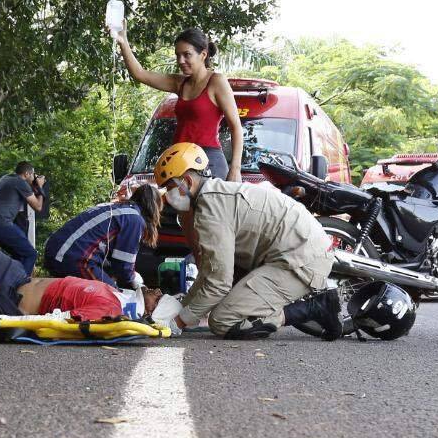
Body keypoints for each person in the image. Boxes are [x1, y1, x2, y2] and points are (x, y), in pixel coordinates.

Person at [149, 143, 349, 340]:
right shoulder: (213, 196)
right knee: (218, 303)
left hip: (301, 261)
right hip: (297, 250)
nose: (168, 196)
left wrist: (177, 323)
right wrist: (183, 307)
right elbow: (210, 271)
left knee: (222, 320)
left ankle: (316, 307)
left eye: (170, 188)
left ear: (187, 181)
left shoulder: (210, 211)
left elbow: (218, 283)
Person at [0, 223, 163, 320]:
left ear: (152, 310)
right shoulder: (117, 293)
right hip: (15, 277)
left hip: (9, 303)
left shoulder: (112, 310)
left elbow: (61, 323)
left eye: (160, 297)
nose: (159, 290)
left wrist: (9, 318)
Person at [110, 25, 244, 183]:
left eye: (187, 54)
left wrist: (235, 170)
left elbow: (236, 127)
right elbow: (140, 74)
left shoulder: (216, 82)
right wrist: (123, 42)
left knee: (207, 208)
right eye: (178, 55)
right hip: (179, 160)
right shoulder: (179, 82)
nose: (181, 61)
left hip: (209, 161)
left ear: (203, 54)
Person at [43, 185, 160, 288]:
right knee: (113, 297)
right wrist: (135, 279)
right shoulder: (134, 219)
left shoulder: (115, 206)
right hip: (73, 258)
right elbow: (123, 266)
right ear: (153, 209)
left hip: (55, 250)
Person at [0, 161, 45, 275]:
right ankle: (18, 285)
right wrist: (40, 187)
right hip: (0, 225)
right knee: (30, 254)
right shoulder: (21, 183)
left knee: (19, 255)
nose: (34, 177)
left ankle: (7, 282)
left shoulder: (7, 178)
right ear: (26, 174)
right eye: (32, 174)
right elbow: (38, 207)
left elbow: (28, 194)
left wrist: (34, 186)